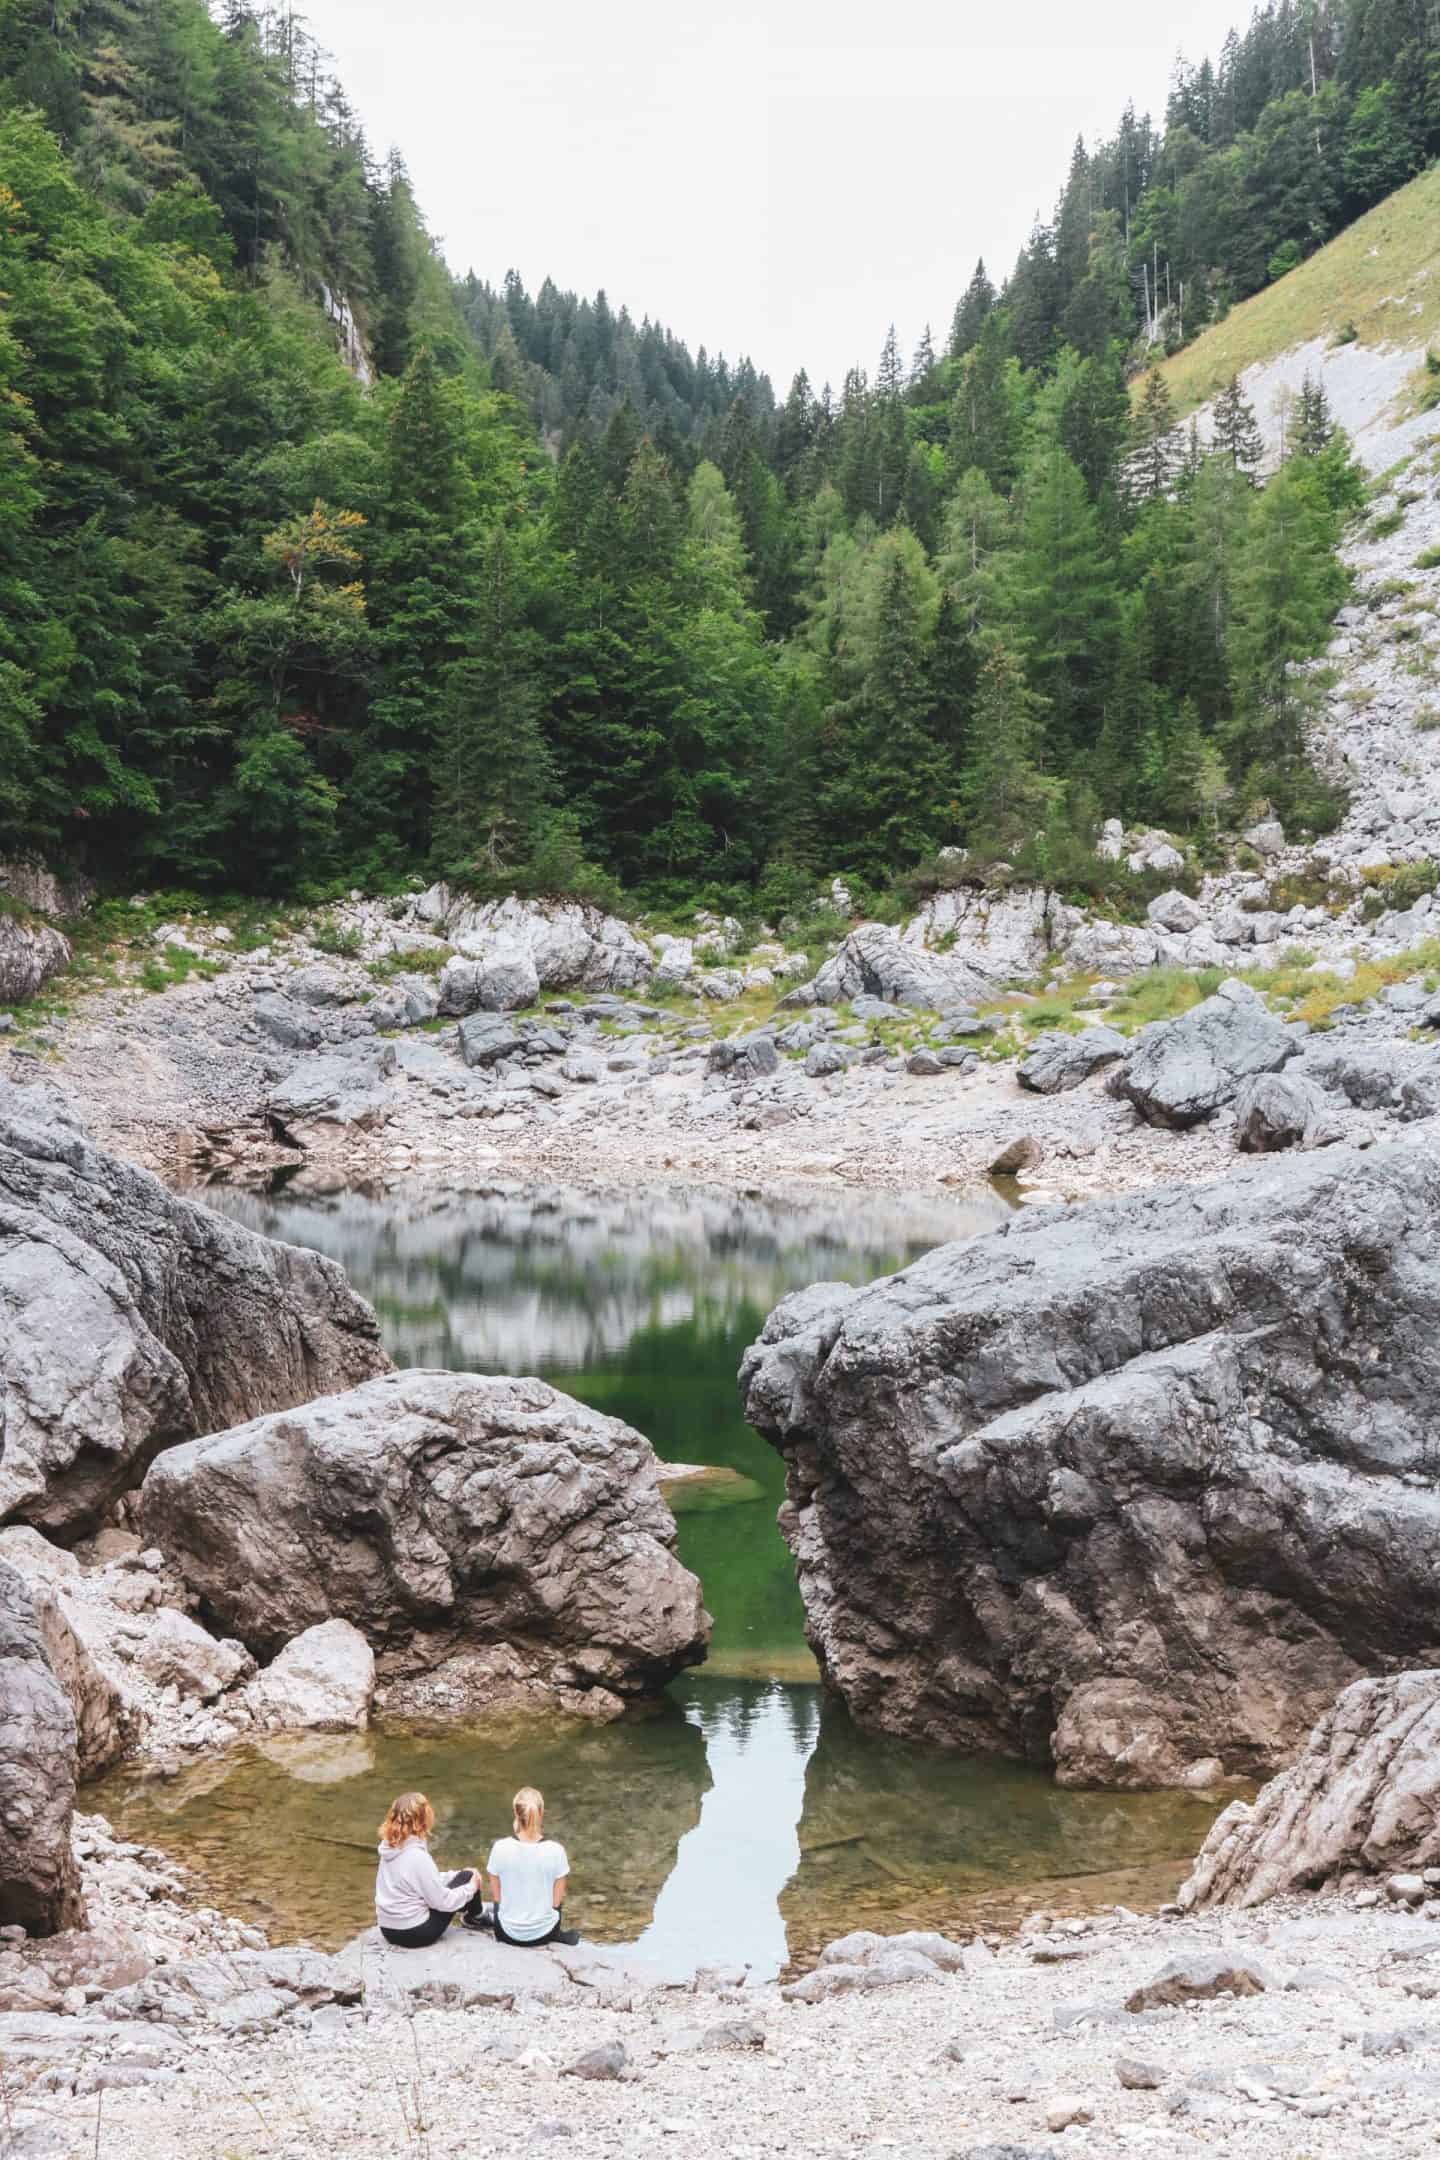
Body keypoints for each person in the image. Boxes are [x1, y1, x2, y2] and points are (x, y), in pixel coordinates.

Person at [374, 1790, 487, 1948]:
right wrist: (471, 1887)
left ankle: (470, 1907)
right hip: (415, 1933)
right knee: (469, 1876)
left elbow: (420, 1881)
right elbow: (441, 1902)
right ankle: (474, 1917)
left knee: (464, 1876)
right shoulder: (417, 1856)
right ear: (423, 1820)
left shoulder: (389, 1847)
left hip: (387, 1929)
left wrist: (454, 1876)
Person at [481, 1786, 579, 1947]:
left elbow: (497, 1897)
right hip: (544, 1934)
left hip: (506, 1933)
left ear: (516, 1812)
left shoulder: (500, 1847)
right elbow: (556, 1902)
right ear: (541, 1813)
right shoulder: (556, 1850)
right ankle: (556, 1933)